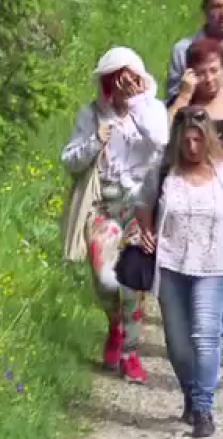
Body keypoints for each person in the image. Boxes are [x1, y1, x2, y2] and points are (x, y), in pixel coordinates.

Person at [136, 107, 223, 439]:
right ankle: (190, 391)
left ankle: (203, 406)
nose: (191, 147)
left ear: (209, 140)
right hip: (172, 262)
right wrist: (145, 230)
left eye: (198, 140)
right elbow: (143, 202)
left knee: (205, 335)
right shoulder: (164, 171)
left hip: (215, 263)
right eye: (186, 140)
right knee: (176, 340)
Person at [60, 47, 170, 384]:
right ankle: (114, 325)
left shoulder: (153, 110)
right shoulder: (91, 115)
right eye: (117, 81)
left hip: (140, 209)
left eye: (131, 78)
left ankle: (131, 353)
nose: (124, 87)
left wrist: (136, 103)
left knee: (132, 281)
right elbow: (69, 161)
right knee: (106, 280)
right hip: (103, 210)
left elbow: (160, 142)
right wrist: (95, 141)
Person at [168, 37, 223, 368]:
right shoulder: (185, 106)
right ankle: (205, 326)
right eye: (202, 73)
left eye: (215, 70)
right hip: (194, 195)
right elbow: (165, 134)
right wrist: (185, 94)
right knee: (204, 258)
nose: (210, 79)